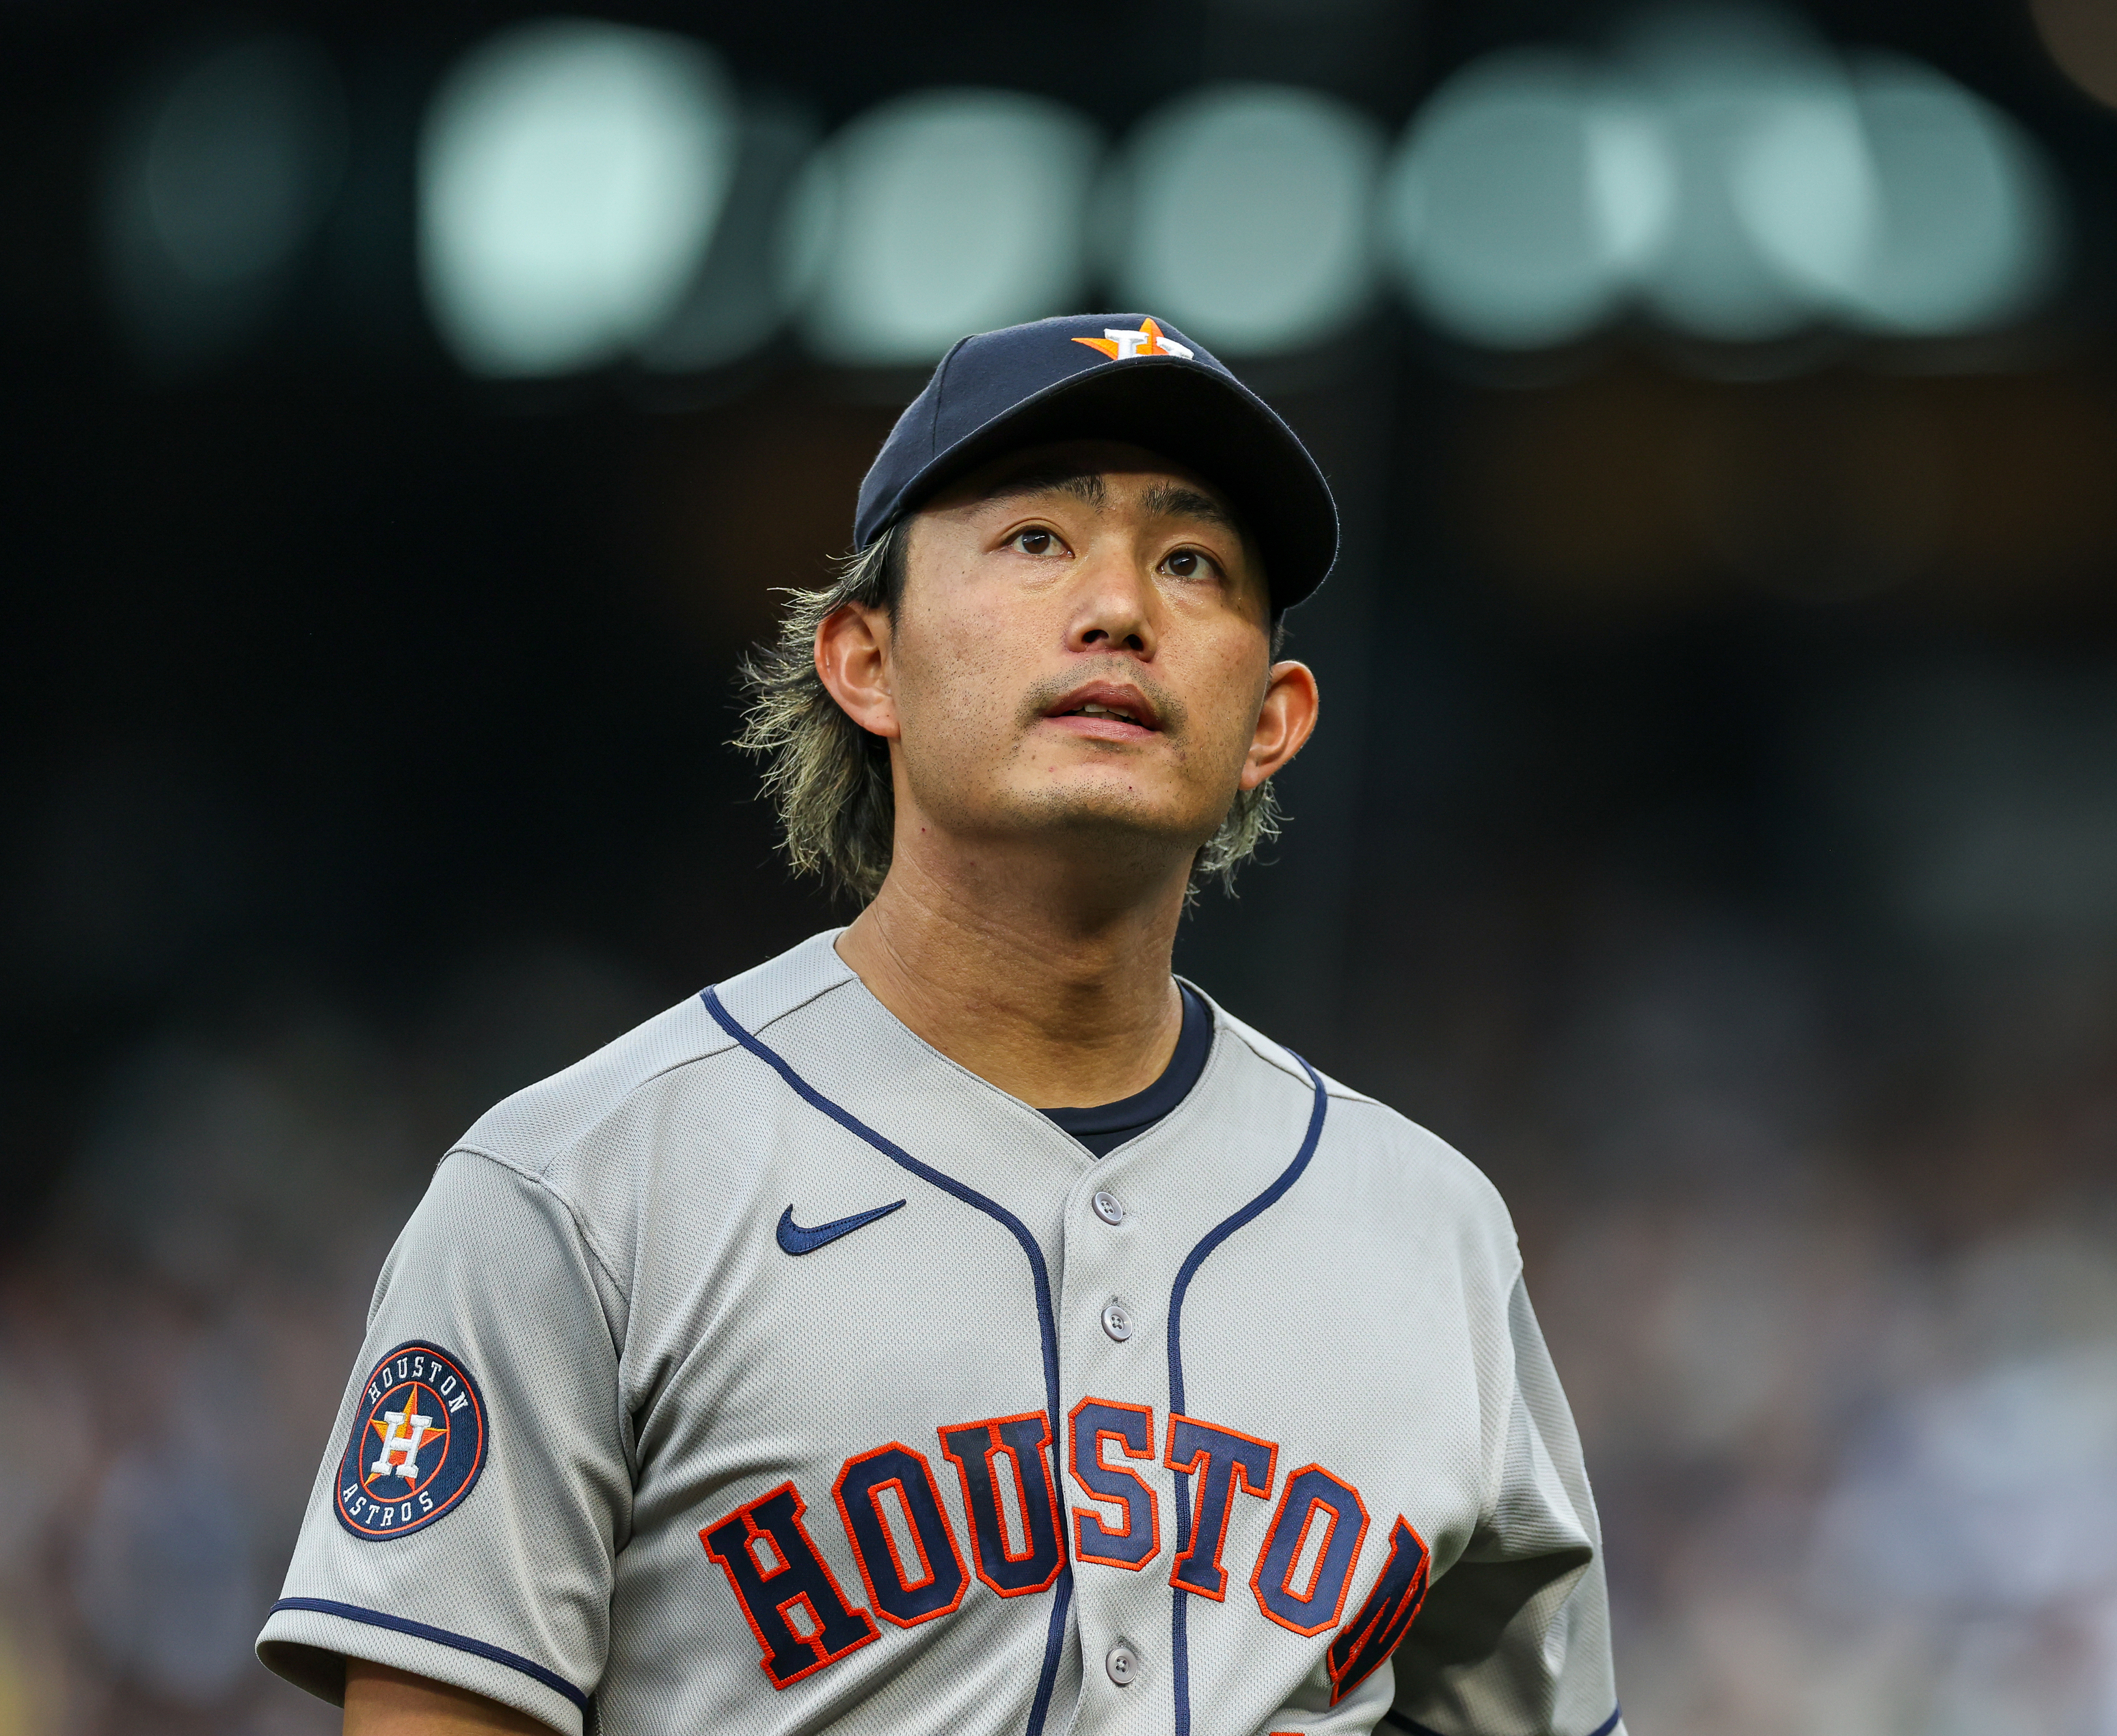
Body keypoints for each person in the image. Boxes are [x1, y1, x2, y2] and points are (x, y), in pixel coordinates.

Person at [256, 314, 1623, 1736]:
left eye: (1192, 563)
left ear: (1270, 722)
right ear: (865, 660)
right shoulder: (579, 1190)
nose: (1118, 608)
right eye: (1035, 539)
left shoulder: (1432, 1230)